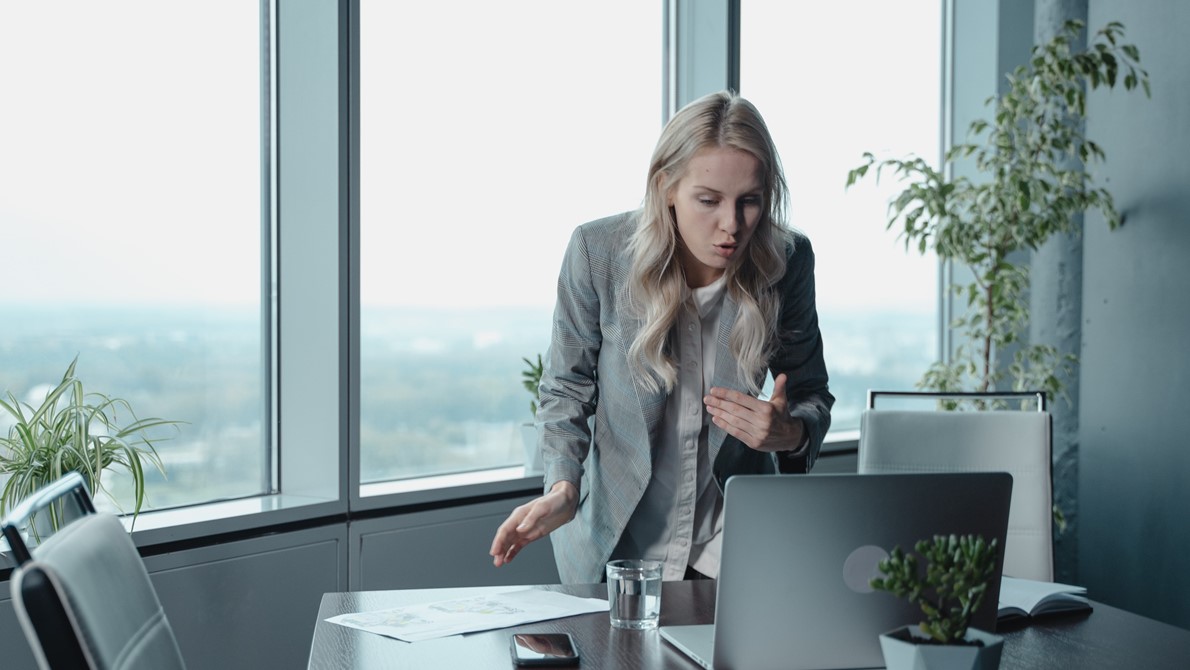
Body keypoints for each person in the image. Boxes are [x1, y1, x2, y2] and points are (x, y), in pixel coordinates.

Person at [489, 90, 834, 584]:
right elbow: (567, 387)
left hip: (730, 551)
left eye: (750, 202)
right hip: (616, 549)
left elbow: (809, 394)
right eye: (708, 200)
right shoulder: (597, 252)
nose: (731, 225)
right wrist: (563, 485)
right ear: (666, 187)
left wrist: (790, 433)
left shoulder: (787, 259)